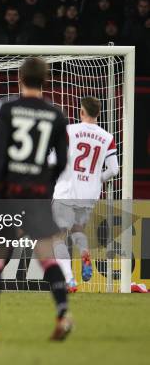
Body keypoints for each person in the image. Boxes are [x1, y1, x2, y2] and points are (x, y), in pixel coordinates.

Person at [0, 57, 72, 341]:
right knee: (46, 257)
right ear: (46, 79)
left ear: (19, 77)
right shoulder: (56, 114)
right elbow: (63, 160)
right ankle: (63, 313)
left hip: (8, 194)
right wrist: (43, 183)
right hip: (37, 196)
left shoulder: (6, 108)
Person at [51, 97, 119, 292]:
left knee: (58, 237)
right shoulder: (107, 137)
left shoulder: (69, 131)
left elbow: (54, 159)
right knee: (78, 230)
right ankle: (84, 252)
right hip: (89, 194)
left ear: (81, 112)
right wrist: (98, 179)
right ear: (98, 113)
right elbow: (114, 170)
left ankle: (70, 279)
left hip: (67, 191)